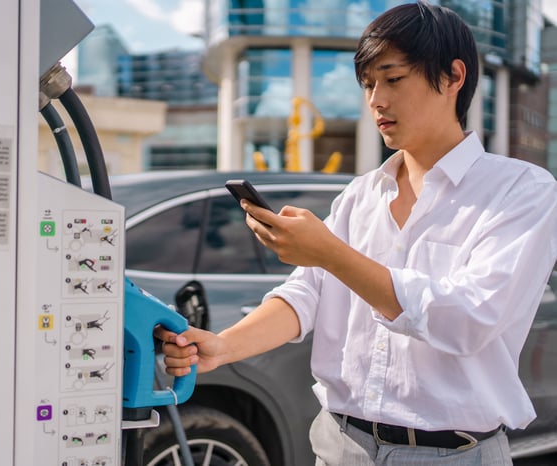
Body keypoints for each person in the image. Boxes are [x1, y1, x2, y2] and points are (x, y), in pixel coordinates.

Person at [155, 2, 557, 465]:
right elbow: (306, 293)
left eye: (393, 79)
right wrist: (225, 347)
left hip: (453, 454)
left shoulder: (520, 190)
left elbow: (468, 320)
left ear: (452, 77)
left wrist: (329, 253)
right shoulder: (360, 194)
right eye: (368, 85)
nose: (376, 100)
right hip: (340, 446)